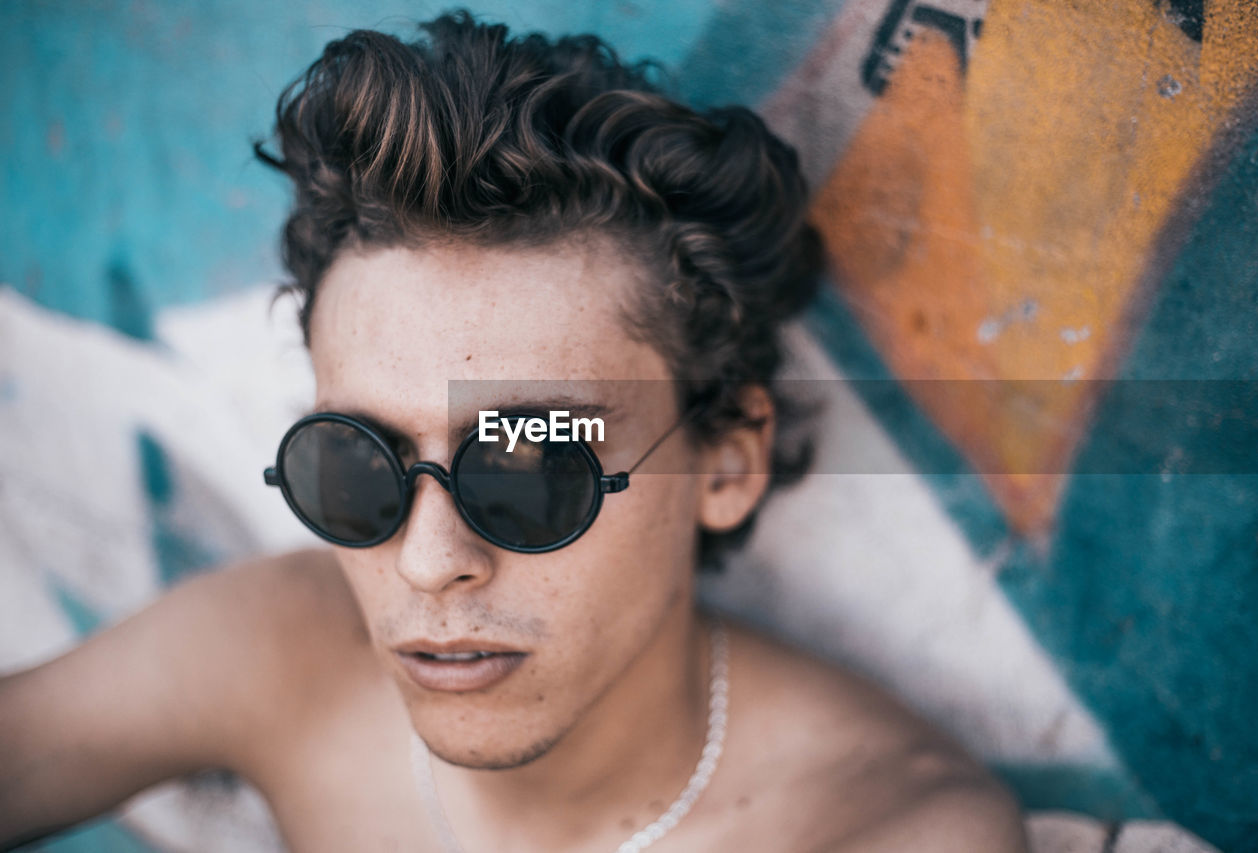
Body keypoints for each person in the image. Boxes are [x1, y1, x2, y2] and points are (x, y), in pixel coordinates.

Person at [0, 11, 1028, 852]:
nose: (429, 560)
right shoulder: (284, 648)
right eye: (357, 465)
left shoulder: (891, 831)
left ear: (726, 459)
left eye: (530, 463)